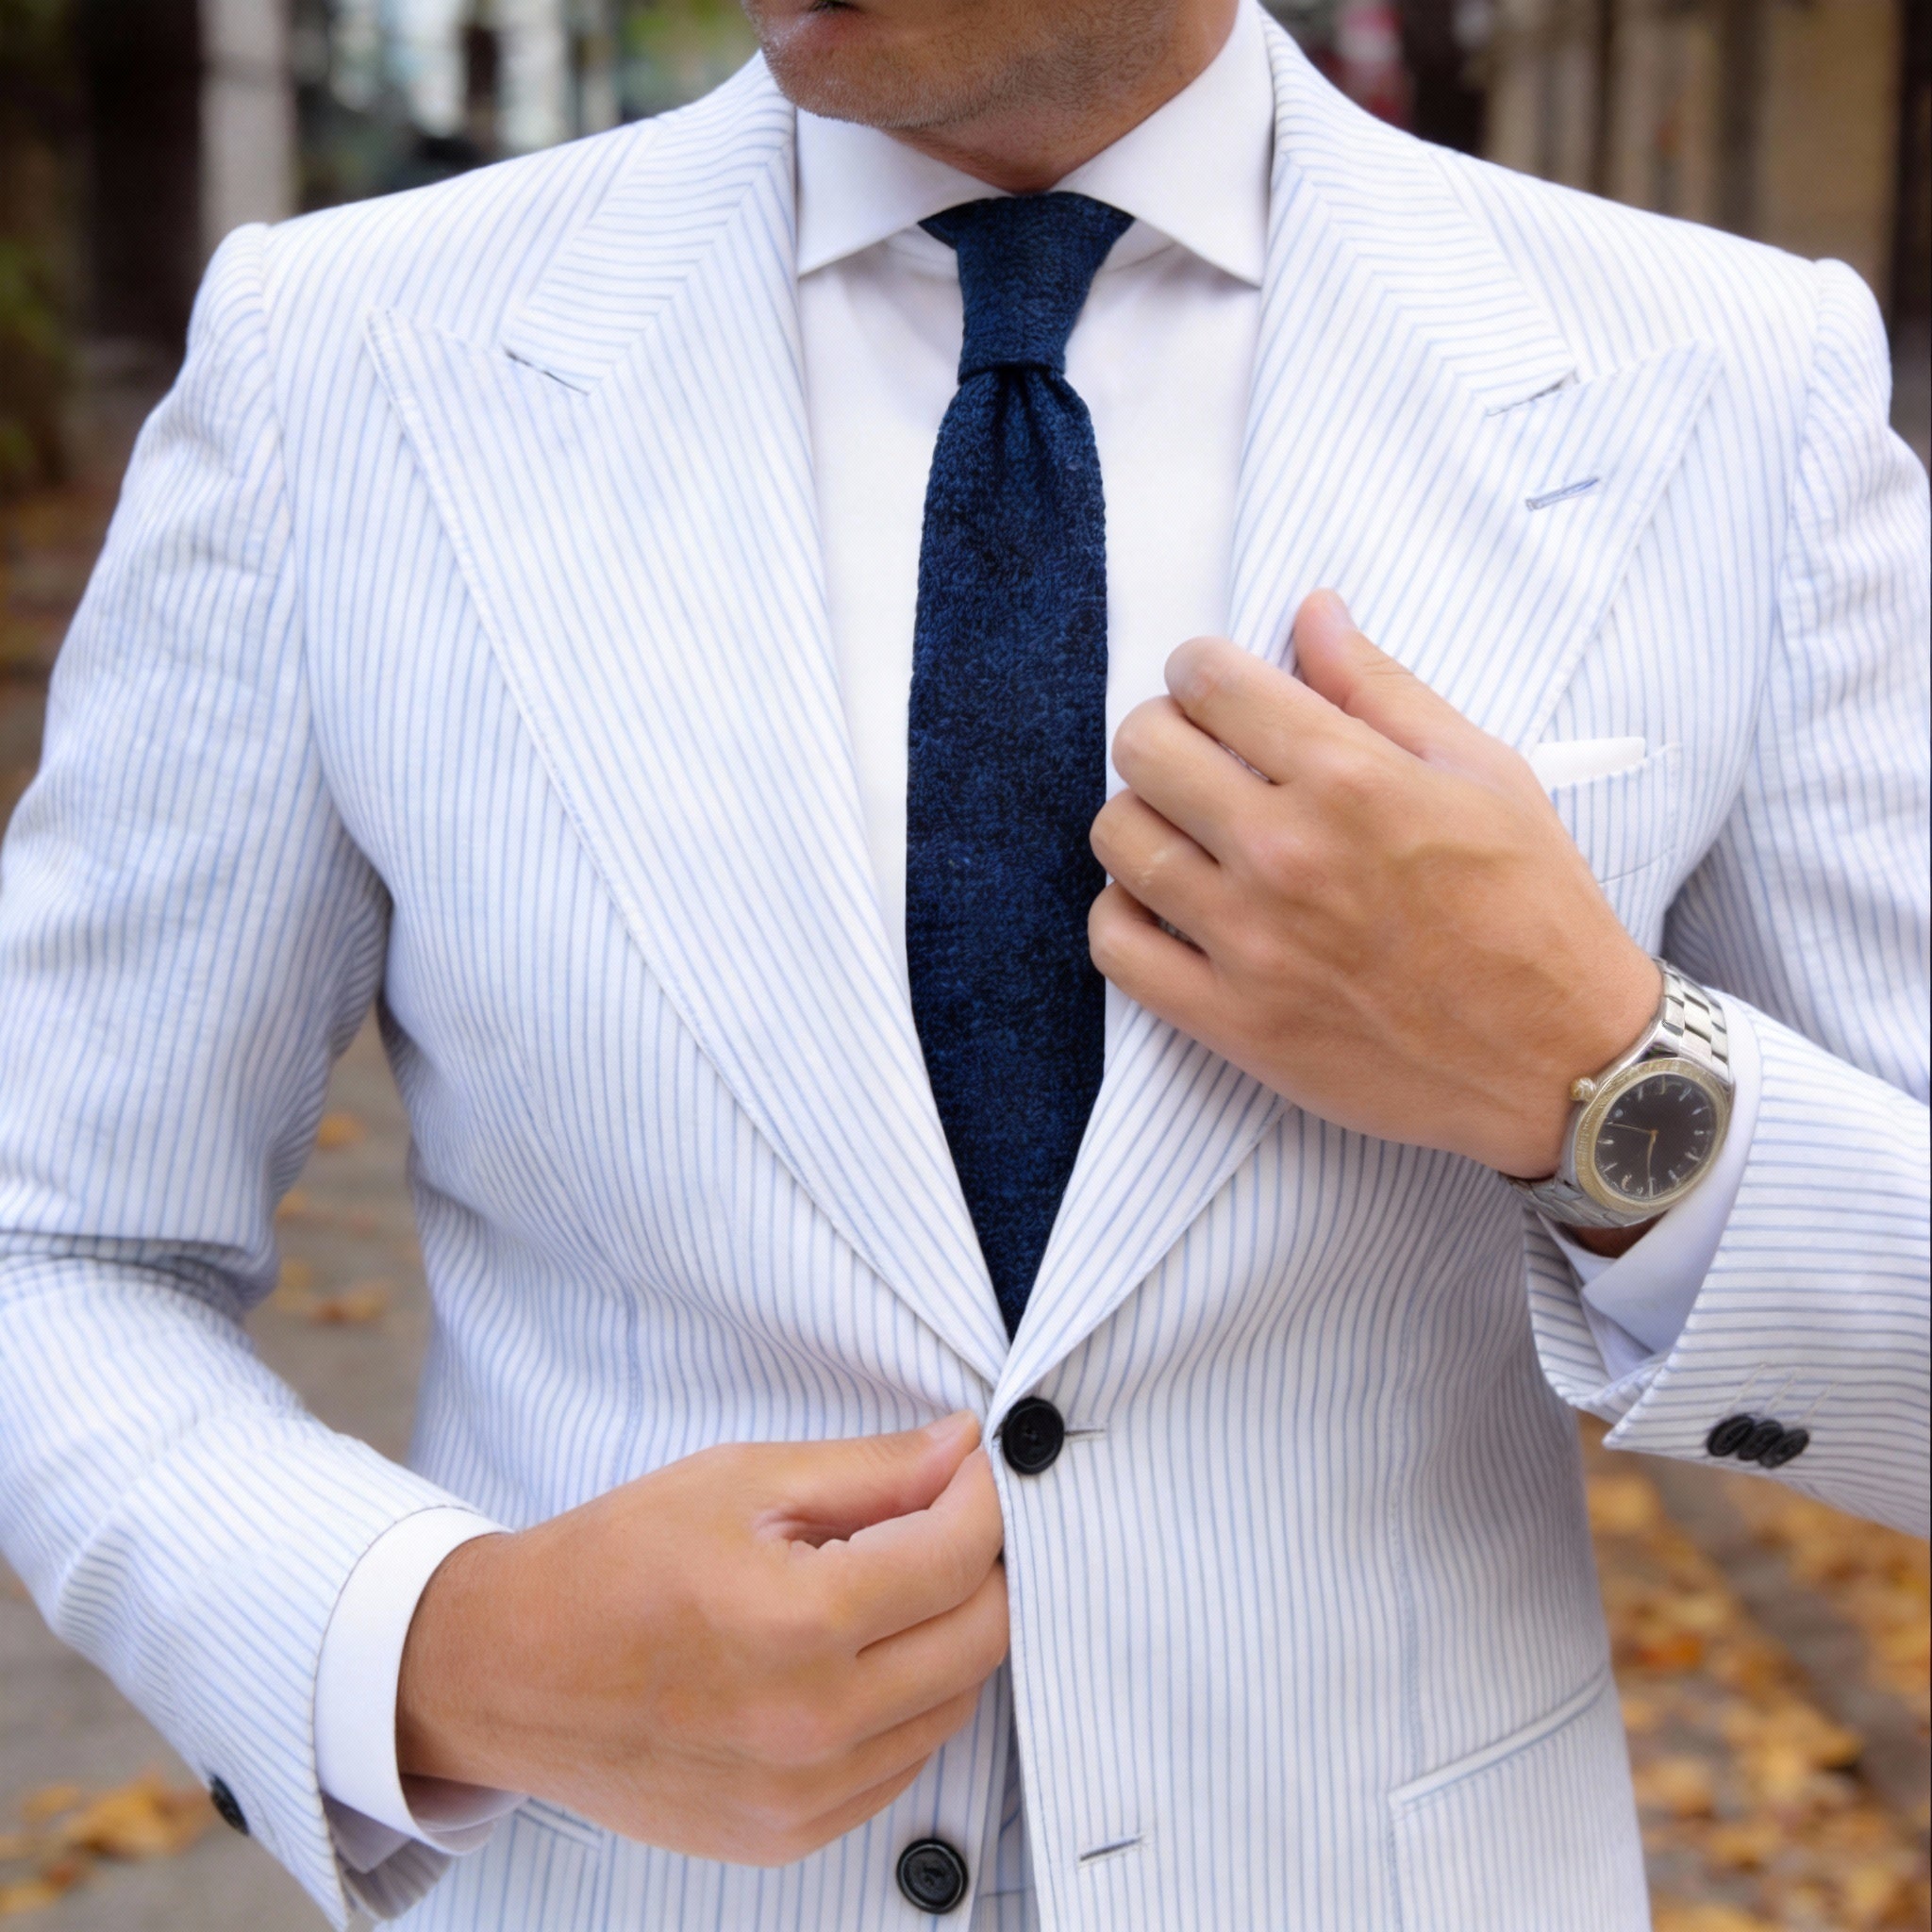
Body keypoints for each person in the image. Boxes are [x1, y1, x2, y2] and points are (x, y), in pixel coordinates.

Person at [0, 0, 1924, 1924]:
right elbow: (57, 1237)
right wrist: (434, 1646)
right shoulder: (337, 361)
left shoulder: (1728, 382)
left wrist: (1595, 1077)